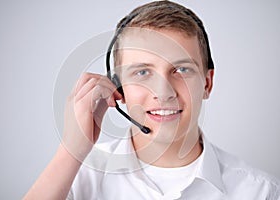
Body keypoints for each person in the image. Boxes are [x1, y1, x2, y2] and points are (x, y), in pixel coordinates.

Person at [24, 1, 280, 199]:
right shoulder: (78, 178)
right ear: (118, 89)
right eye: (142, 72)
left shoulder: (260, 191)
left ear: (207, 83)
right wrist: (71, 150)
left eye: (181, 70)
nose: (164, 91)